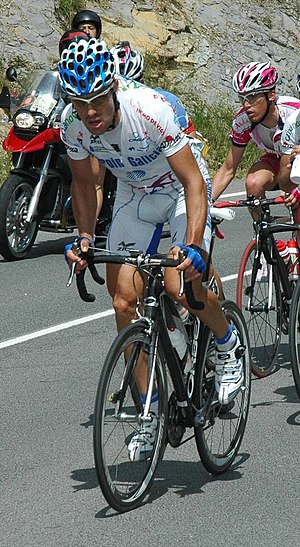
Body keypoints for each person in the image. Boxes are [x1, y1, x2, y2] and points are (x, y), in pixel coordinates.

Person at [58, 38, 244, 460]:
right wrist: (86, 239)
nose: (90, 113)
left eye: (98, 101)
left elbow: (195, 184)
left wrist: (194, 246)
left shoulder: (149, 109)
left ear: (114, 89)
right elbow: (85, 184)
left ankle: (226, 340)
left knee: (181, 282)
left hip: (179, 188)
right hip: (134, 192)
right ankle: (150, 411)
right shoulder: (72, 124)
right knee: (124, 300)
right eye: (80, 102)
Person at [212, 61, 300, 202]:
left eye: (252, 96)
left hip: (296, 161)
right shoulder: (243, 121)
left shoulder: (294, 112)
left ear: (271, 94)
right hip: (276, 161)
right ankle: (262, 223)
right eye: (242, 98)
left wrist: (295, 187)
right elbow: (228, 169)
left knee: (296, 203)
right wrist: (204, 204)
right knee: (253, 183)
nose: (246, 105)